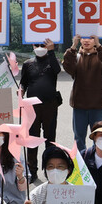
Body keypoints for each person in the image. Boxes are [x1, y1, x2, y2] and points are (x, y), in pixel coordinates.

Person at [63, 34, 102, 151]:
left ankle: (96, 163)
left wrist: (99, 46)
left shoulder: (101, 56)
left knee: (100, 137)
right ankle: (81, 165)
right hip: (79, 105)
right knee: (78, 138)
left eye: (90, 38)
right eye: (83, 38)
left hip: (98, 106)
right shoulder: (75, 56)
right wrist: (73, 46)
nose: (86, 41)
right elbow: (67, 67)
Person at [19, 38, 61, 181]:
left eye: (42, 45)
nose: (39, 47)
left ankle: (50, 169)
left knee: (50, 139)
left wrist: (51, 51)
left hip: (50, 105)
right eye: (36, 45)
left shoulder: (52, 61)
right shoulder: (28, 64)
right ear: (32, 45)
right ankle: (32, 171)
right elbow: (23, 82)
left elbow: (57, 70)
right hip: (32, 107)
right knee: (32, 139)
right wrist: (20, 91)